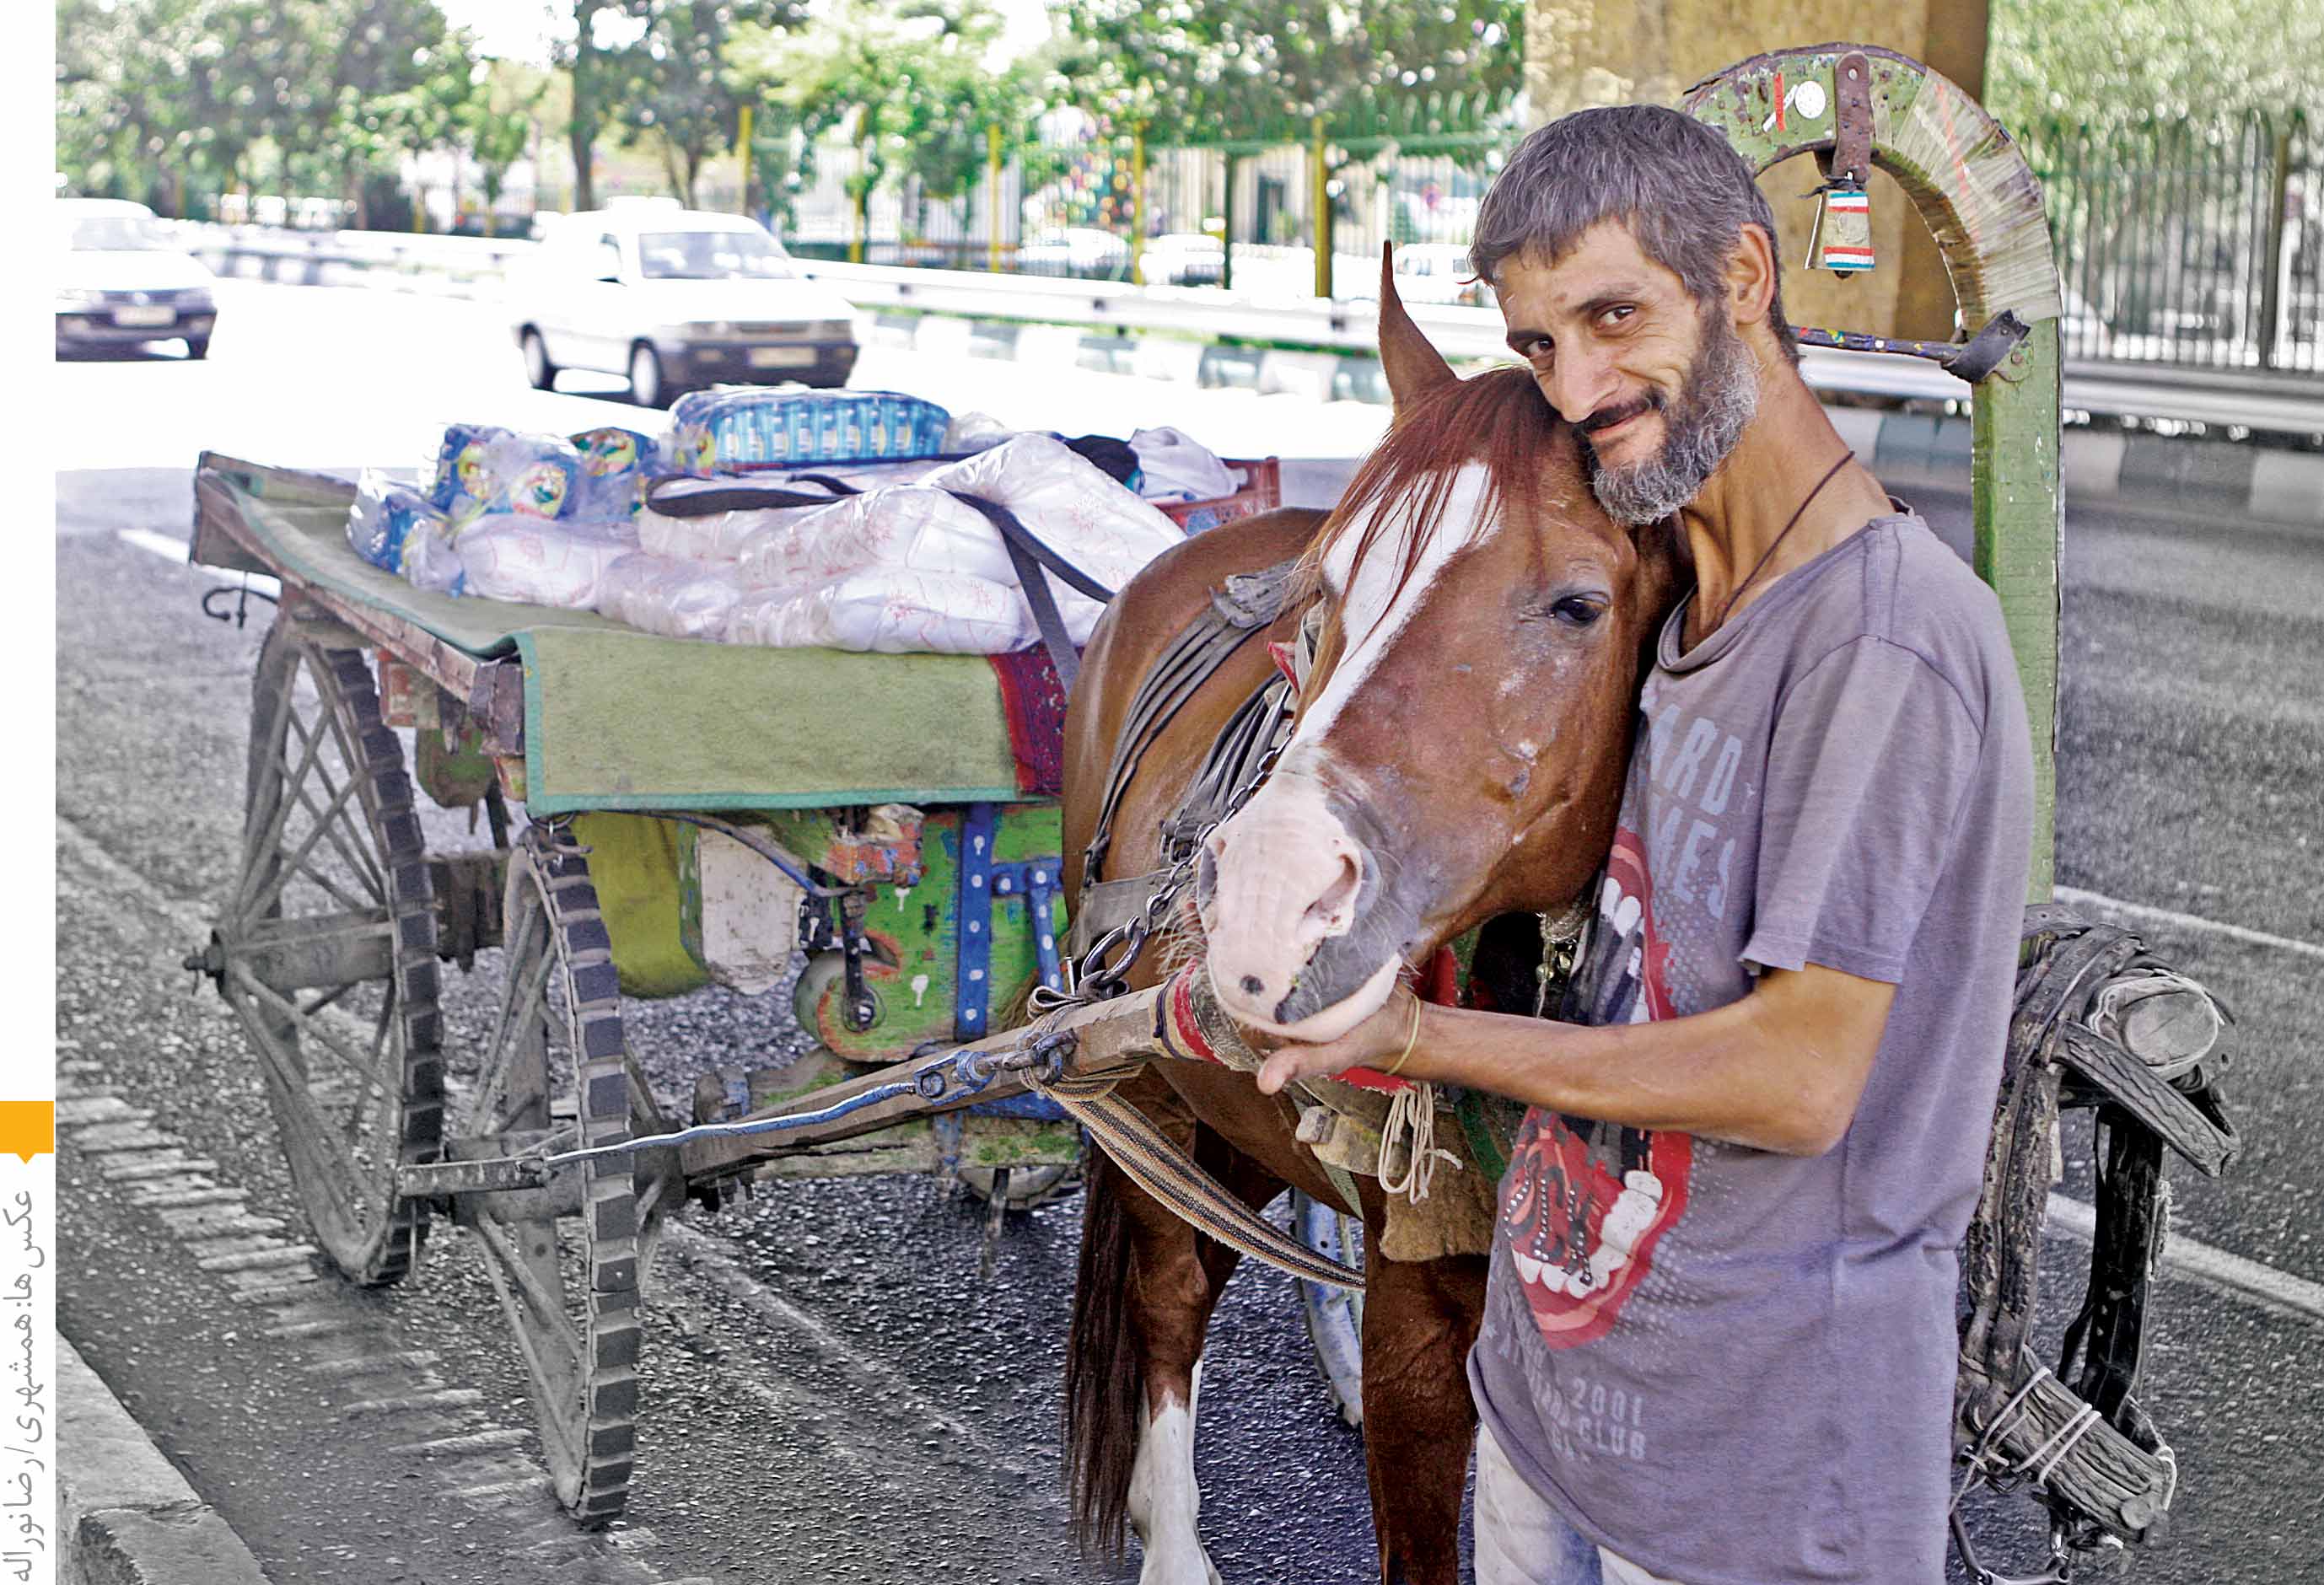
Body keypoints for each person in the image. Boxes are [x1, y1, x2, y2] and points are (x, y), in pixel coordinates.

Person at [1254, 105, 2035, 1585]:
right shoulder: (1660, 602)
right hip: (1555, 1423)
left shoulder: (1885, 638)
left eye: (1615, 316)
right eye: (1542, 345)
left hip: (1750, 1483)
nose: (1581, 387)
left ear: (1741, 276)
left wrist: (1413, 1038)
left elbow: (1797, 1082)